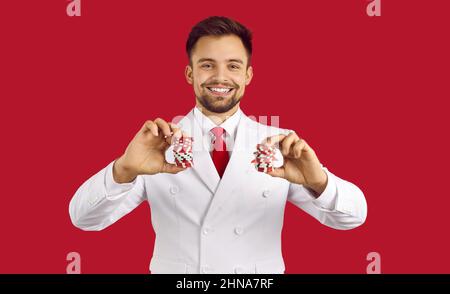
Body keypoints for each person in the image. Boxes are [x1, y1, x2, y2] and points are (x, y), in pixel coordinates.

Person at [69, 16, 367, 274]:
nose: (221, 77)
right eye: (207, 65)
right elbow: (84, 219)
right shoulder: (156, 144)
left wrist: (319, 182)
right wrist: (123, 169)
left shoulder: (281, 145)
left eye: (233, 66)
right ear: (190, 74)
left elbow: (353, 219)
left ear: (248, 75)